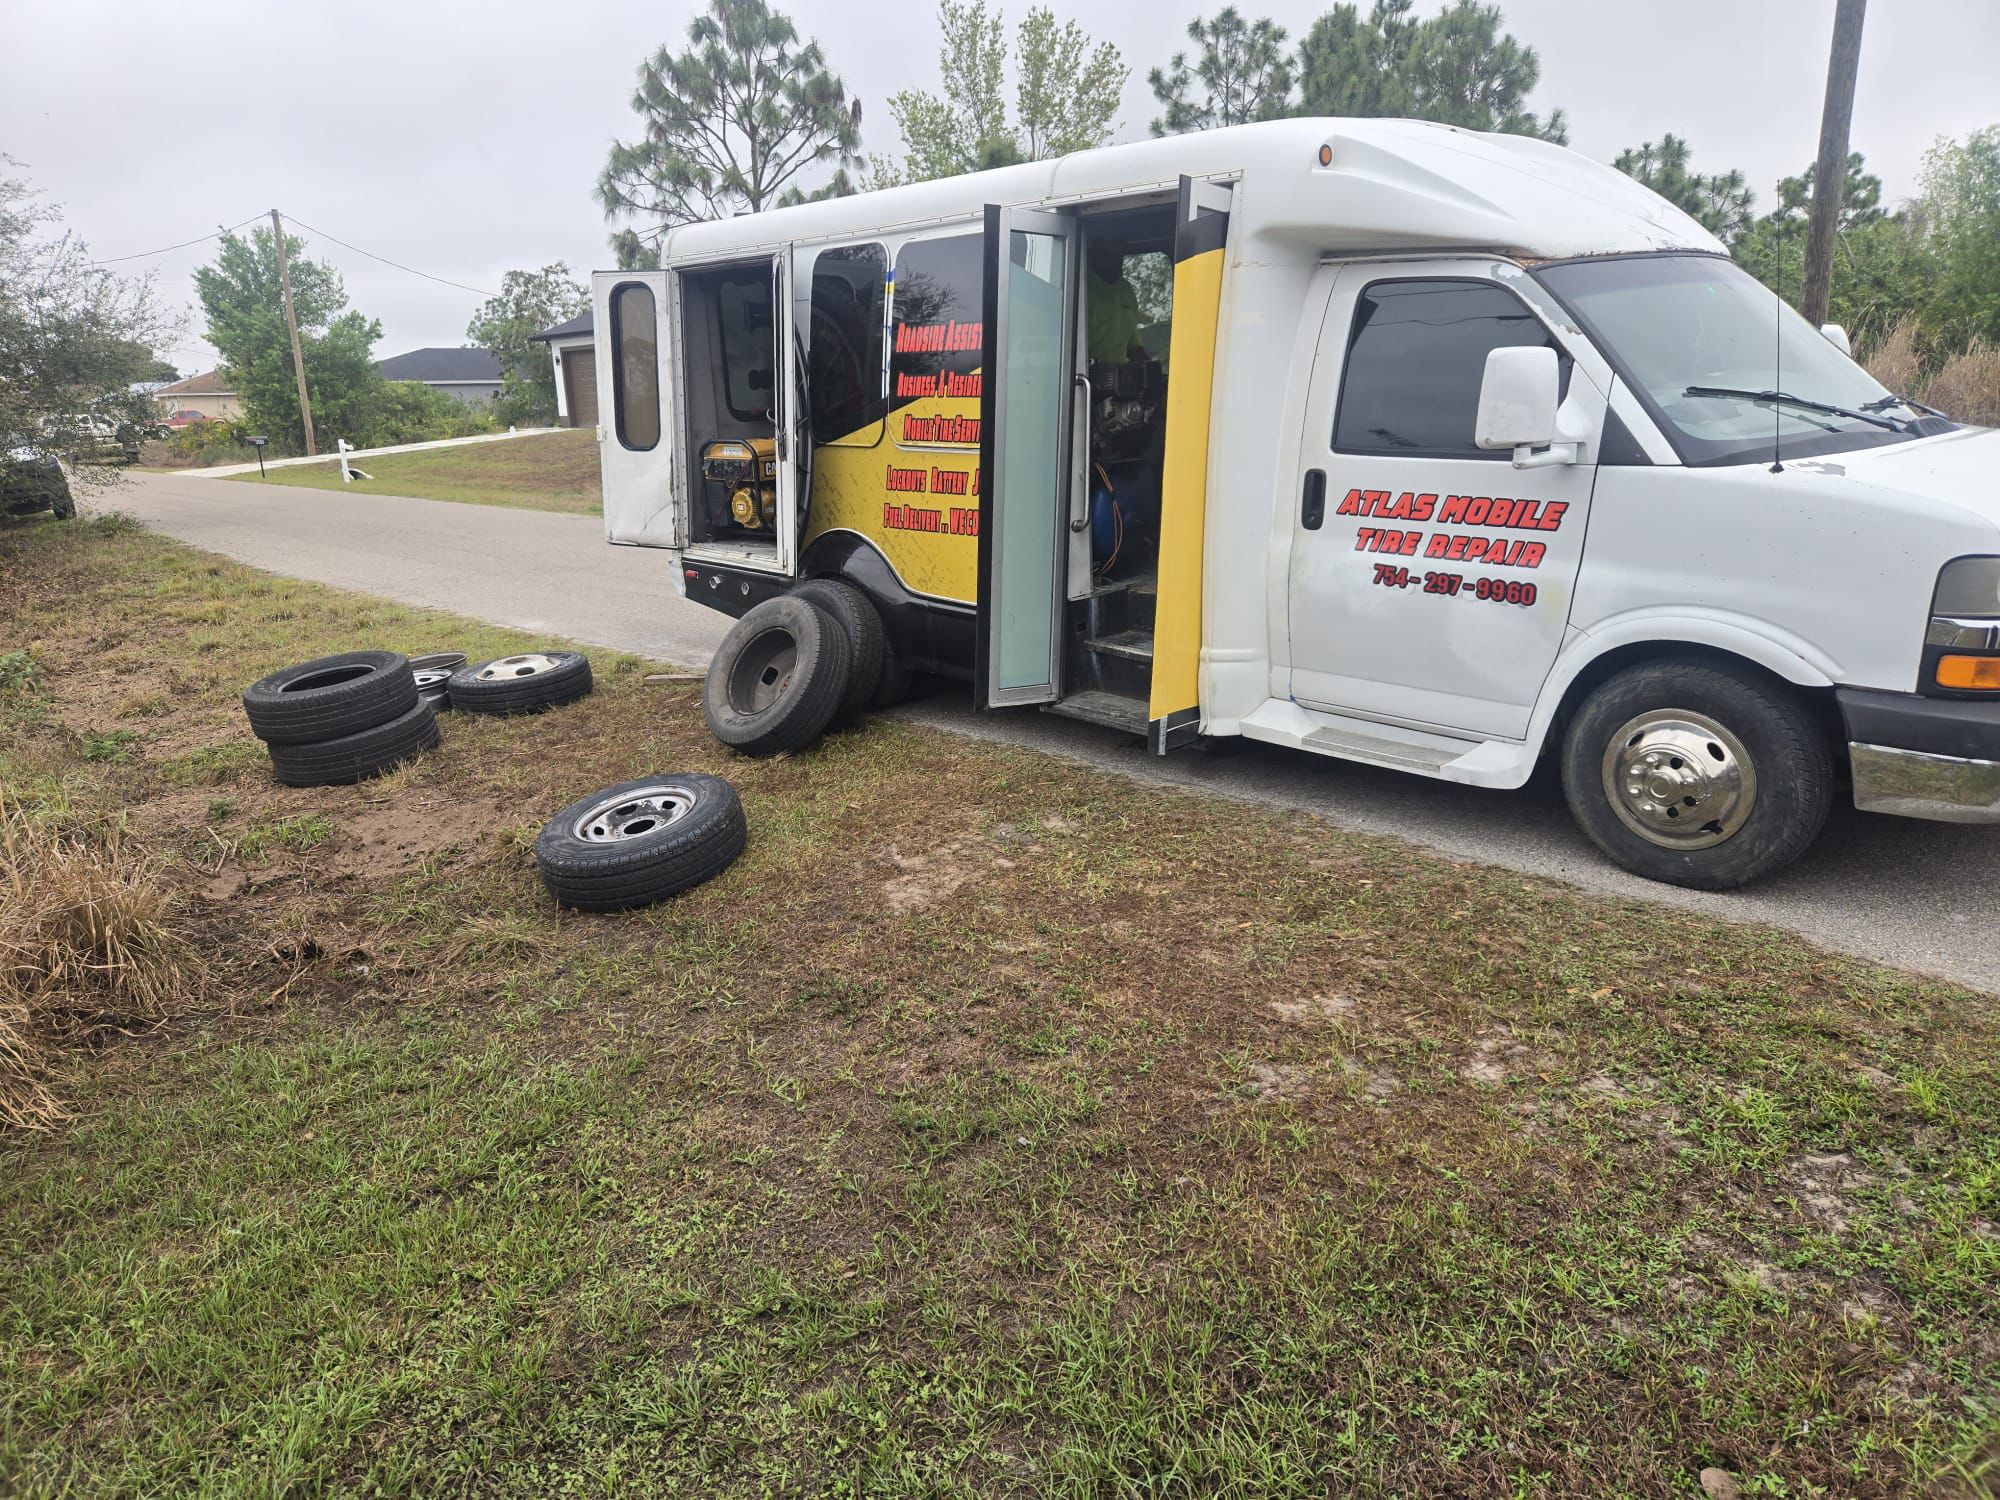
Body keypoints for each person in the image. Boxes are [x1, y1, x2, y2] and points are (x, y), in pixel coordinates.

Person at [1086, 240, 1146, 364]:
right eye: (1109, 252)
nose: (1117, 259)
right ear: (1096, 253)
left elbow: (1134, 345)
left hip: (1121, 372)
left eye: (1119, 252)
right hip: (1086, 373)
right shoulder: (1082, 288)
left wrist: (1153, 371)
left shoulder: (1126, 289)